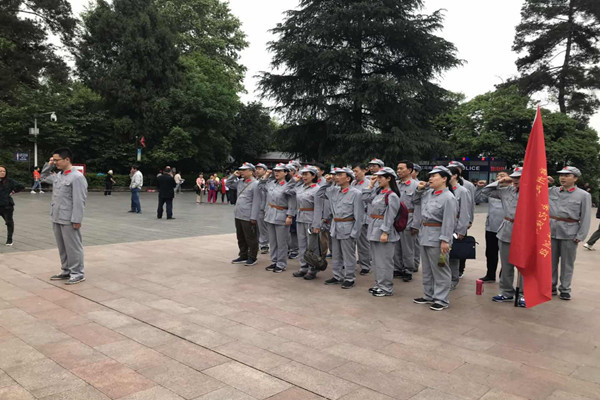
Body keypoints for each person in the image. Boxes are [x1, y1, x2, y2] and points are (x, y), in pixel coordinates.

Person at [412, 166, 458, 311]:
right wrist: (420, 189)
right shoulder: (428, 193)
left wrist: (445, 240)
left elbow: (449, 221)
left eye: (434, 176)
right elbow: (415, 200)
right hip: (425, 234)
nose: (430, 178)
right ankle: (428, 295)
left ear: (444, 179)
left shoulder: (449, 197)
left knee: (440, 268)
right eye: (430, 176)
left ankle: (441, 299)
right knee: (427, 269)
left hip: (438, 237)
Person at [41, 148, 88, 285]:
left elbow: (79, 200)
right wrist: (49, 164)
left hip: (69, 218)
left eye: (57, 160)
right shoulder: (59, 176)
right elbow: (43, 177)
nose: (55, 162)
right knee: (62, 246)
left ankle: (77, 273)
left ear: (67, 159)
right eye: (53, 160)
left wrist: (77, 219)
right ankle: (66, 270)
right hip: (56, 216)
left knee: (73, 247)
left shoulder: (77, 177)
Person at [481, 167, 526, 307]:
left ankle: (523, 294)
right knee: (506, 264)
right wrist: (500, 181)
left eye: (519, 177)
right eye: (514, 177)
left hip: (525, 231)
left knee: (524, 266)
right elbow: (485, 191)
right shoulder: (507, 190)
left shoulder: (533, 193)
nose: (515, 180)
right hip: (507, 229)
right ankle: (506, 292)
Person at [548, 166, 592, 300]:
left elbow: (586, 216)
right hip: (551, 230)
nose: (563, 178)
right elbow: (533, 189)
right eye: (561, 175)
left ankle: (565, 288)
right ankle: (551, 286)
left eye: (567, 175)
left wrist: (581, 235)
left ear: (575, 178)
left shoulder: (583, 195)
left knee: (567, 263)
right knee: (550, 262)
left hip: (570, 233)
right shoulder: (552, 191)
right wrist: (544, 181)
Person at [318, 167, 364, 289]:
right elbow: (319, 194)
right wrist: (327, 183)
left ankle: (349, 277)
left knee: (348, 255)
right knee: (336, 253)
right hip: (335, 226)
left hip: (348, 226)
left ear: (348, 178)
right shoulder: (334, 191)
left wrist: (355, 232)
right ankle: (337, 276)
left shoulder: (356, 193)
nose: (336, 177)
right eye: (335, 175)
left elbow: (359, 216)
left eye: (339, 175)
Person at [363, 167, 401, 296]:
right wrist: (370, 185)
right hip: (374, 228)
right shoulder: (379, 192)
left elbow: (391, 215)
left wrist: (385, 232)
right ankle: (379, 284)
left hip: (383, 230)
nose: (377, 179)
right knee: (376, 260)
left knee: (385, 261)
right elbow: (365, 198)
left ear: (389, 178)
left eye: (380, 177)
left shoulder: (392, 195)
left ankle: (386, 287)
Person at [288, 165, 324, 280]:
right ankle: (303, 267)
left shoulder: (317, 189)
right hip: (300, 218)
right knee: (302, 244)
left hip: (311, 219)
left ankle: (313, 269)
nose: (304, 176)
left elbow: (318, 208)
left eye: (306, 174)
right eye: (302, 174)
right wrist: (294, 180)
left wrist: (316, 224)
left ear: (313, 176)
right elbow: (287, 190)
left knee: (312, 246)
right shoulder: (300, 187)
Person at [259, 163, 296, 272]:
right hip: (270, 214)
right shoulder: (271, 184)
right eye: (275, 171)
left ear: (285, 173)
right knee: (273, 241)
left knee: (282, 242)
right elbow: (260, 186)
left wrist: (290, 216)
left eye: (279, 171)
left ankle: (281, 263)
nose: (276, 173)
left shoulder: (288, 186)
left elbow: (292, 202)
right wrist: (266, 175)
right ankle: (274, 261)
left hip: (282, 214)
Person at [476, 172, 508, 282]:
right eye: (498, 176)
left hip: (506, 228)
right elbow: (478, 199)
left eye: (503, 176)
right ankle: (490, 275)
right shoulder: (492, 192)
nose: (500, 178)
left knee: (506, 254)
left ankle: (504, 276)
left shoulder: (512, 191)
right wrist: (479, 188)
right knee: (490, 253)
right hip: (491, 227)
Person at [227, 163, 261, 266]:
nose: (241, 172)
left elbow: (256, 202)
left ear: (251, 171)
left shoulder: (256, 184)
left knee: (250, 237)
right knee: (240, 236)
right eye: (241, 170)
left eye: (244, 170)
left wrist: (254, 217)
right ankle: (243, 255)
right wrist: (234, 175)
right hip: (238, 214)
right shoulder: (240, 182)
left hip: (248, 215)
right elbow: (228, 184)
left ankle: (252, 257)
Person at [393, 161, 420, 282]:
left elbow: (418, 206)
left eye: (401, 168)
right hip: (396, 218)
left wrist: (416, 224)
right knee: (396, 246)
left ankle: (408, 269)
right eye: (398, 169)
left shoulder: (416, 186)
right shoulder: (396, 185)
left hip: (409, 219)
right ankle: (397, 268)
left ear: (409, 170)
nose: (398, 171)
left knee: (408, 248)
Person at [448, 161, 475, 278]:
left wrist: (467, 223)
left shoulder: (466, 187)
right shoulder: (446, 188)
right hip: (446, 225)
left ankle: (457, 274)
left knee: (457, 250)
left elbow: (468, 206)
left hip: (457, 224)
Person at [352, 164, 371, 275]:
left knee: (363, 243)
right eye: (353, 171)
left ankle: (365, 265)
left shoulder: (369, 184)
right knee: (351, 242)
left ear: (364, 171)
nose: (354, 173)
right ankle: (350, 264)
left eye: (356, 171)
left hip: (363, 217)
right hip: (352, 217)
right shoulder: (352, 184)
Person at [0, 166, 25, 246]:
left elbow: (21, 186)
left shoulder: (9, 181)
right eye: (0, 171)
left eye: (4, 171)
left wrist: (13, 191)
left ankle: (9, 239)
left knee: (9, 222)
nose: (2, 172)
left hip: (7, 205)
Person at [255, 163, 270, 254]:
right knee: (255, 228)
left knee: (262, 227)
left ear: (265, 171)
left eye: (260, 169)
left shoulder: (268, 181)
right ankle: (256, 244)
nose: (257, 170)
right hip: (254, 207)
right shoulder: (254, 180)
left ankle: (264, 244)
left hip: (263, 207)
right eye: (257, 169)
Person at [412, 164, 422, 272]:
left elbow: (418, 206)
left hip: (414, 218)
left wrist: (416, 223)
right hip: (402, 218)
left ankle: (414, 264)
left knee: (415, 244)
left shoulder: (419, 185)